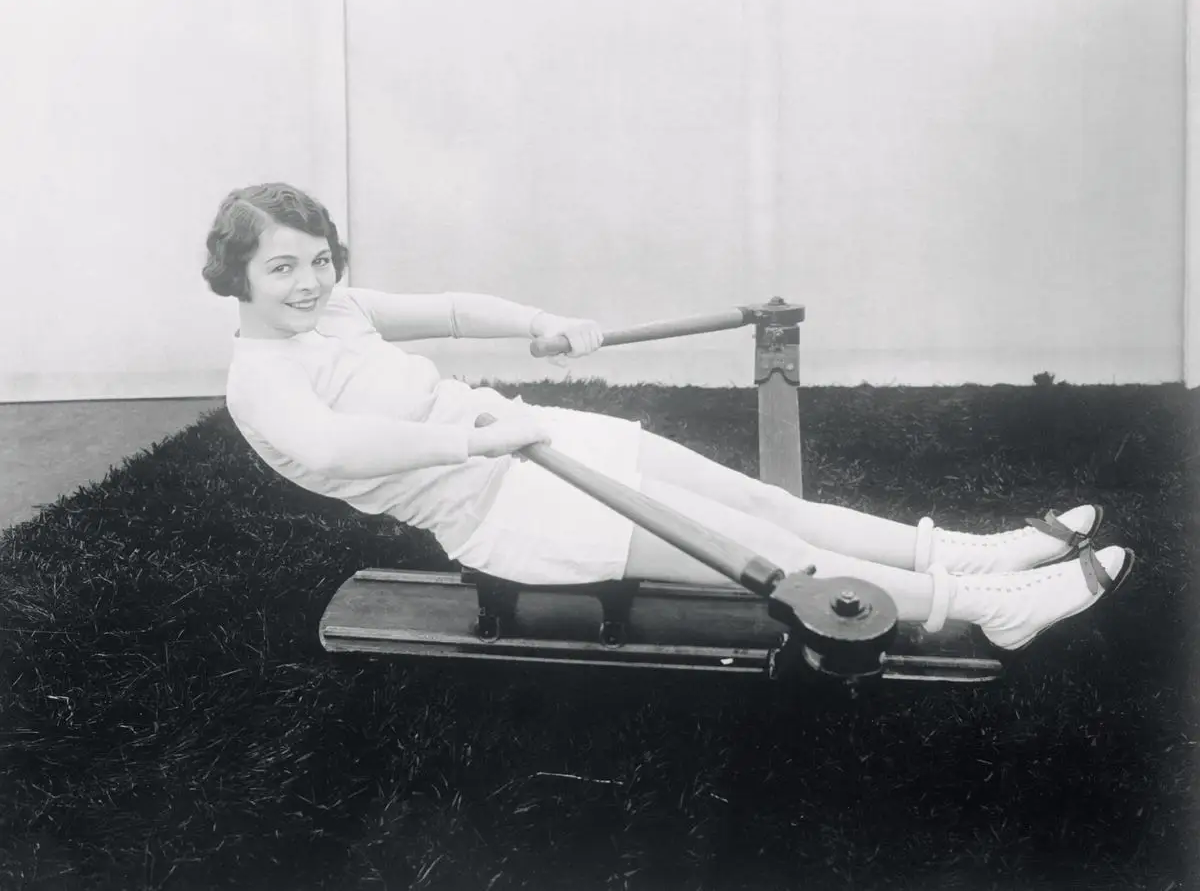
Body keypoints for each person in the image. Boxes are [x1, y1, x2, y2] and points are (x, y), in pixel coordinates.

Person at [205, 182, 1134, 652]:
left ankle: (976, 555)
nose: (310, 282)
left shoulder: (337, 308)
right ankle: (986, 611)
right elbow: (338, 444)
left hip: (530, 441)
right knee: (772, 554)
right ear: (235, 275)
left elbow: (448, 308)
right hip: (509, 511)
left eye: (320, 259)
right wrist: (481, 437)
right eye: (283, 267)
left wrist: (541, 326)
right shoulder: (262, 380)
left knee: (780, 511)